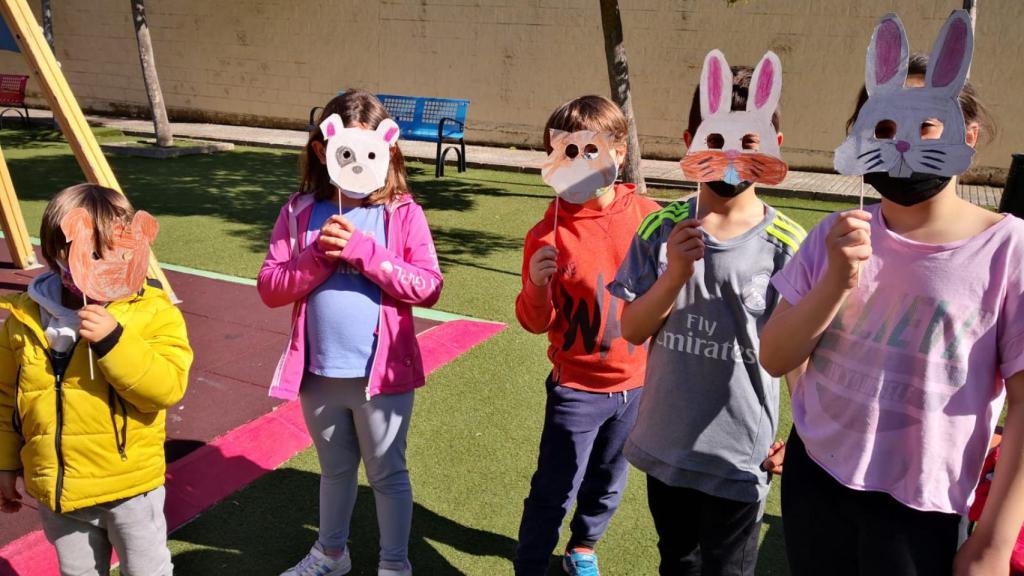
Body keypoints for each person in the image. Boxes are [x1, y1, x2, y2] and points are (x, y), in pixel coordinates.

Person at [760, 12, 1024, 575]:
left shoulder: (1009, 248)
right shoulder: (834, 234)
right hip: (817, 477)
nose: (900, 142)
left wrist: (994, 543)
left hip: (922, 501)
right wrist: (835, 279)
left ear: (966, 135)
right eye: (880, 129)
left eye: (927, 125)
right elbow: (776, 355)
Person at [609, 52, 803, 576]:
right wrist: (674, 273)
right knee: (677, 562)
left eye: (749, 143)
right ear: (689, 141)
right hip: (666, 444)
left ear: (773, 147)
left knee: (727, 570)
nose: (731, 157)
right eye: (714, 141)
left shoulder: (789, 244)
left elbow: (801, 354)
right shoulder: (660, 229)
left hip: (741, 453)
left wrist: (802, 436)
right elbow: (631, 327)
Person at [259, 90, 443, 576]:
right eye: (345, 152)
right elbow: (271, 287)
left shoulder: (402, 213)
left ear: (389, 150)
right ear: (323, 150)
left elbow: (427, 286)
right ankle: (331, 554)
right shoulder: (299, 211)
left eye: (370, 152)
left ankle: (394, 565)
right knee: (336, 471)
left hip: (380, 377)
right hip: (318, 374)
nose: (357, 164)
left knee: (387, 475)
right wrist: (317, 256)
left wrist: (364, 251)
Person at [0, 183, 192, 576]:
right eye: (94, 255)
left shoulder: (154, 312)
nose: (112, 265)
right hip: (61, 491)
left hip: (130, 489)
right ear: (58, 254)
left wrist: (114, 341)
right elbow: (6, 397)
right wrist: (5, 463)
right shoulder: (23, 318)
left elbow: (166, 387)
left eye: (123, 253)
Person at [513, 95, 660, 576]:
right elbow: (535, 322)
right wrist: (537, 285)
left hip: (636, 384)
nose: (579, 162)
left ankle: (583, 547)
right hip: (576, 388)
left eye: (592, 149)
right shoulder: (546, 234)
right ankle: (531, 564)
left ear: (619, 152)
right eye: (566, 151)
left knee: (608, 481)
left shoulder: (647, 216)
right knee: (555, 486)